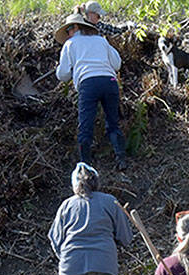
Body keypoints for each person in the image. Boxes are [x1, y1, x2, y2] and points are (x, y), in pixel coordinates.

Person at [54, 10, 126, 169]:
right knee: (113, 123)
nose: (67, 34)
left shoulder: (70, 44)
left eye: (68, 30)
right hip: (109, 81)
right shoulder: (100, 40)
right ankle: (121, 159)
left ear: (74, 28)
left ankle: (85, 166)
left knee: (85, 126)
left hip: (88, 84)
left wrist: (59, 69)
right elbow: (117, 64)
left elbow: (63, 74)